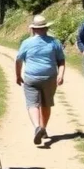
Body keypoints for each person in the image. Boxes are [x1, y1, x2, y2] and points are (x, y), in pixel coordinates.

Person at [15, 15, 66, 145]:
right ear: (46, 28)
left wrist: (18, 75)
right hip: (49, 78)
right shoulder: (55, 42)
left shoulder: (26, 43)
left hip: (31, 77)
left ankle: (37, 126)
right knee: (46, 104)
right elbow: (61, 61)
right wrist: (61, 74)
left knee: (32, 104)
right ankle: (43, 128)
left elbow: (18, 60)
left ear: (33, 29)